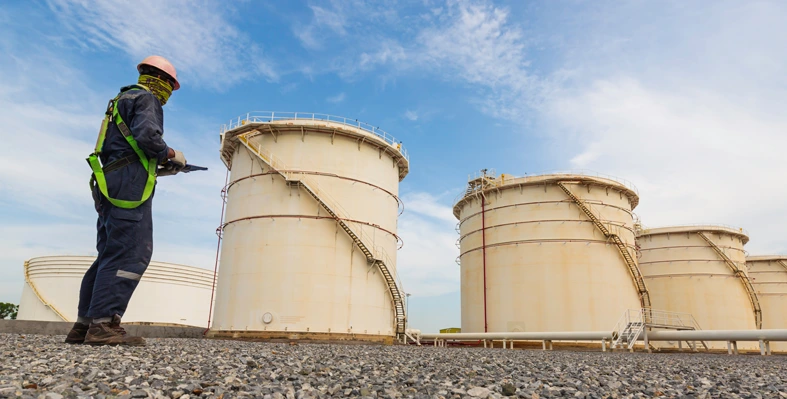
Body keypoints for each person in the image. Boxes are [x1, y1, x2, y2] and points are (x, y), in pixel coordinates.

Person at [65, 56, 187, 346]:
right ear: (164, 82)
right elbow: (148, 137)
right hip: (127, 183)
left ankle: (84, 325)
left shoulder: (120, 100)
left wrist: (155, 165)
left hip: (109, 181)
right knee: (131, 252)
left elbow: (124, 146)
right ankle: (104, 325)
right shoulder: (147, 100)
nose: (169, 93)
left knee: (109, 253)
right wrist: (171, 154)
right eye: (171, 86)